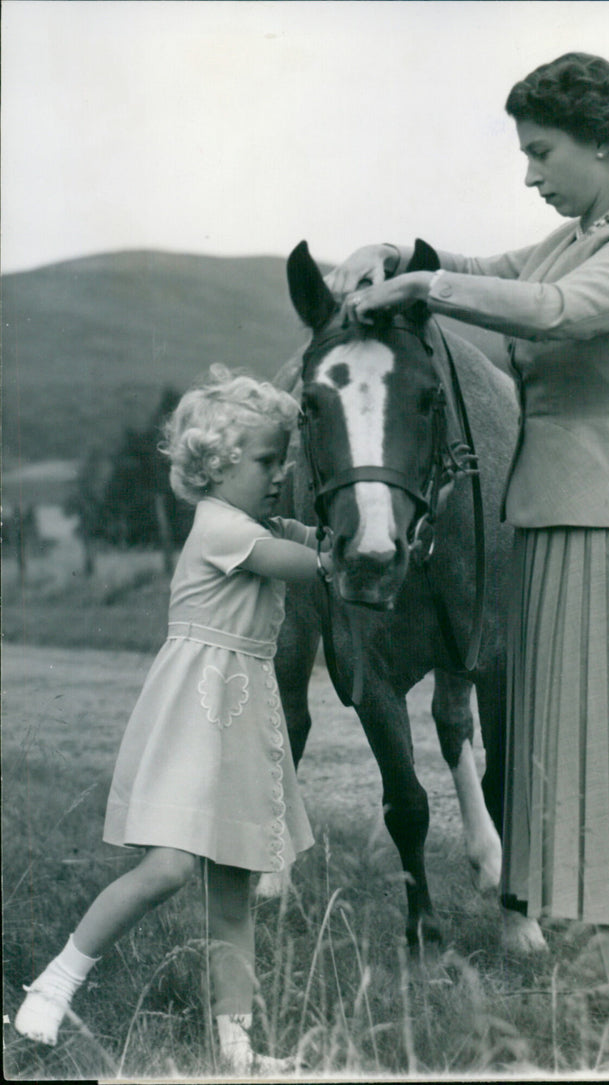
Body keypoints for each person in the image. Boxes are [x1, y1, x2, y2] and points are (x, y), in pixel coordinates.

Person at [325, 52, 609, 1072]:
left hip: (608, 529)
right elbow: (502, 272)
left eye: (540, 152)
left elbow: (551, 311)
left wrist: (423, 284)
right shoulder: (576, 233)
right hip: (550, 525)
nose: (530, 172)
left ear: (599, 139)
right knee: (570, 775)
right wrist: (398, 249)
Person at [14, 365, 331, 1074]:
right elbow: (305, 562)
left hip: (241, 716)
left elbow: (304, 538)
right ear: (215, 465)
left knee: (235, 887)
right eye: (264, 461)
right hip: (197, 711)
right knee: (167, 866)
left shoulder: (253, 520)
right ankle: (55, 980)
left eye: (285, 460)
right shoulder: (220, 527)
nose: (279, 474)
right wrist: (345, 551)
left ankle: (236, 1046)